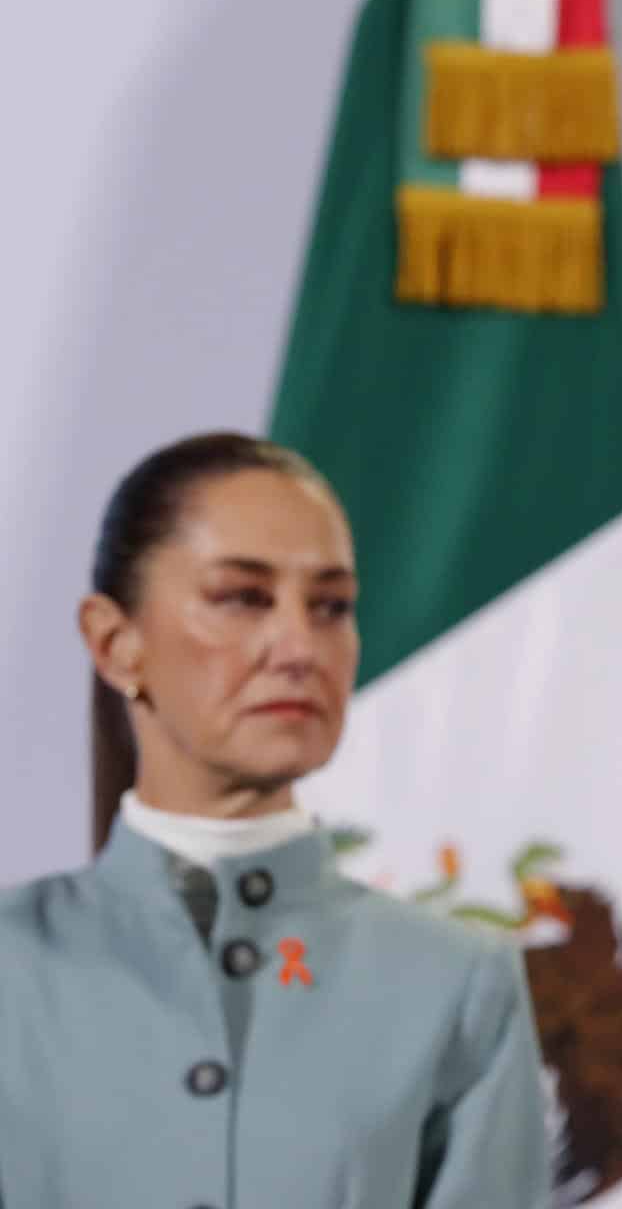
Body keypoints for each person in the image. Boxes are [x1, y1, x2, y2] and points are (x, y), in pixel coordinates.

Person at [0, 433, 548, 1207]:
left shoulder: (455, 982)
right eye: (242, 597)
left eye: (331, 607)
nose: (300, 648)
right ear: (116, 644)